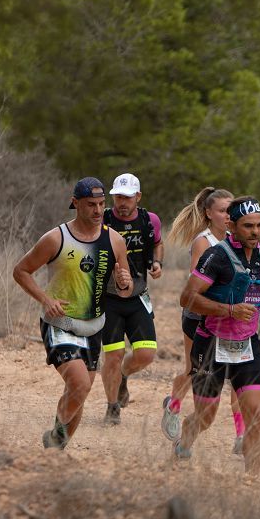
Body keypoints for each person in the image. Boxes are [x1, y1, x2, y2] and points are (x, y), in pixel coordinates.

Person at [12, 177, 133, 449]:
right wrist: (45, 299)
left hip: (93, 327)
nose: (98, 211)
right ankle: (56, 435)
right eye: (91, 204)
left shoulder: (114, 241)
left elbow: (123, 287)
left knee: (81, 391)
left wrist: (124, 283)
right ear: (75, 203)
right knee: (79, 384)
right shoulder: (56, 238)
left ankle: (57, 446)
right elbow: (21, 271)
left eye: (102, 204)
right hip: (60, 323)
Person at [175, 196, 260, 475]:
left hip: (247, 345)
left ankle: (251, 483)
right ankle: (184, 441)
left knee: (256, 415)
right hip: (211, 342)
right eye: (248, 226)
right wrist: (228, 310)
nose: (255, 232)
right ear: (232, 225)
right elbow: (187, 298)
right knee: (205, 417)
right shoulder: (217, 257)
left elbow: (256, 293)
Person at [162, 188, 247, 454]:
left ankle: (241, 434)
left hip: (230, 319)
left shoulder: (239, 239)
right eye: (222, 210)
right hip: (199, 317)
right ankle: (173, 406)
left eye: (230, 210)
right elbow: (196, 285)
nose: (226, 215)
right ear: (209, 214)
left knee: (238, 376)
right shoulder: (203, 241)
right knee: (193, 370)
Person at [98, 173, 165, 425]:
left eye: (127, 197)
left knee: (146, 354)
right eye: (117, 197)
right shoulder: (102, 219)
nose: (121, 203)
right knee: (113, 355)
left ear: (138, 197)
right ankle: (112, 406)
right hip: (109, 298)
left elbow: (158, 243)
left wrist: (157, 262)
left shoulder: (150, 220)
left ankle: (123, 376)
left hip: (138, 295)